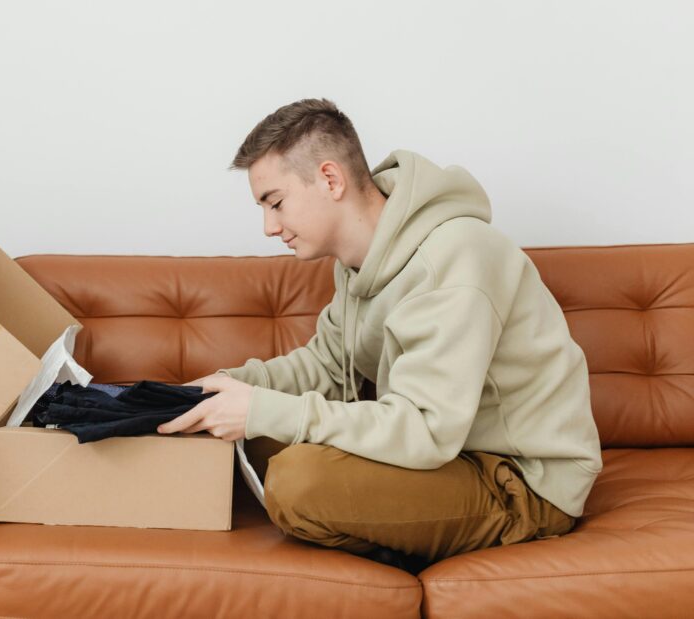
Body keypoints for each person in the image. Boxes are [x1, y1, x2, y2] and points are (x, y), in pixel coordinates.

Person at [156, 98, 602, 573]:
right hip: (453, 455)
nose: (269, 227)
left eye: (276, 202)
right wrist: (223, 388)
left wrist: (264, 410)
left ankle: (399, 544)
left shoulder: (452, 259)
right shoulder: (358, 264)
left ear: (330, 179)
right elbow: (325, 365)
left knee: (298, 481)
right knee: (250, 438)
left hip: (518, 480)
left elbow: (427, 429)